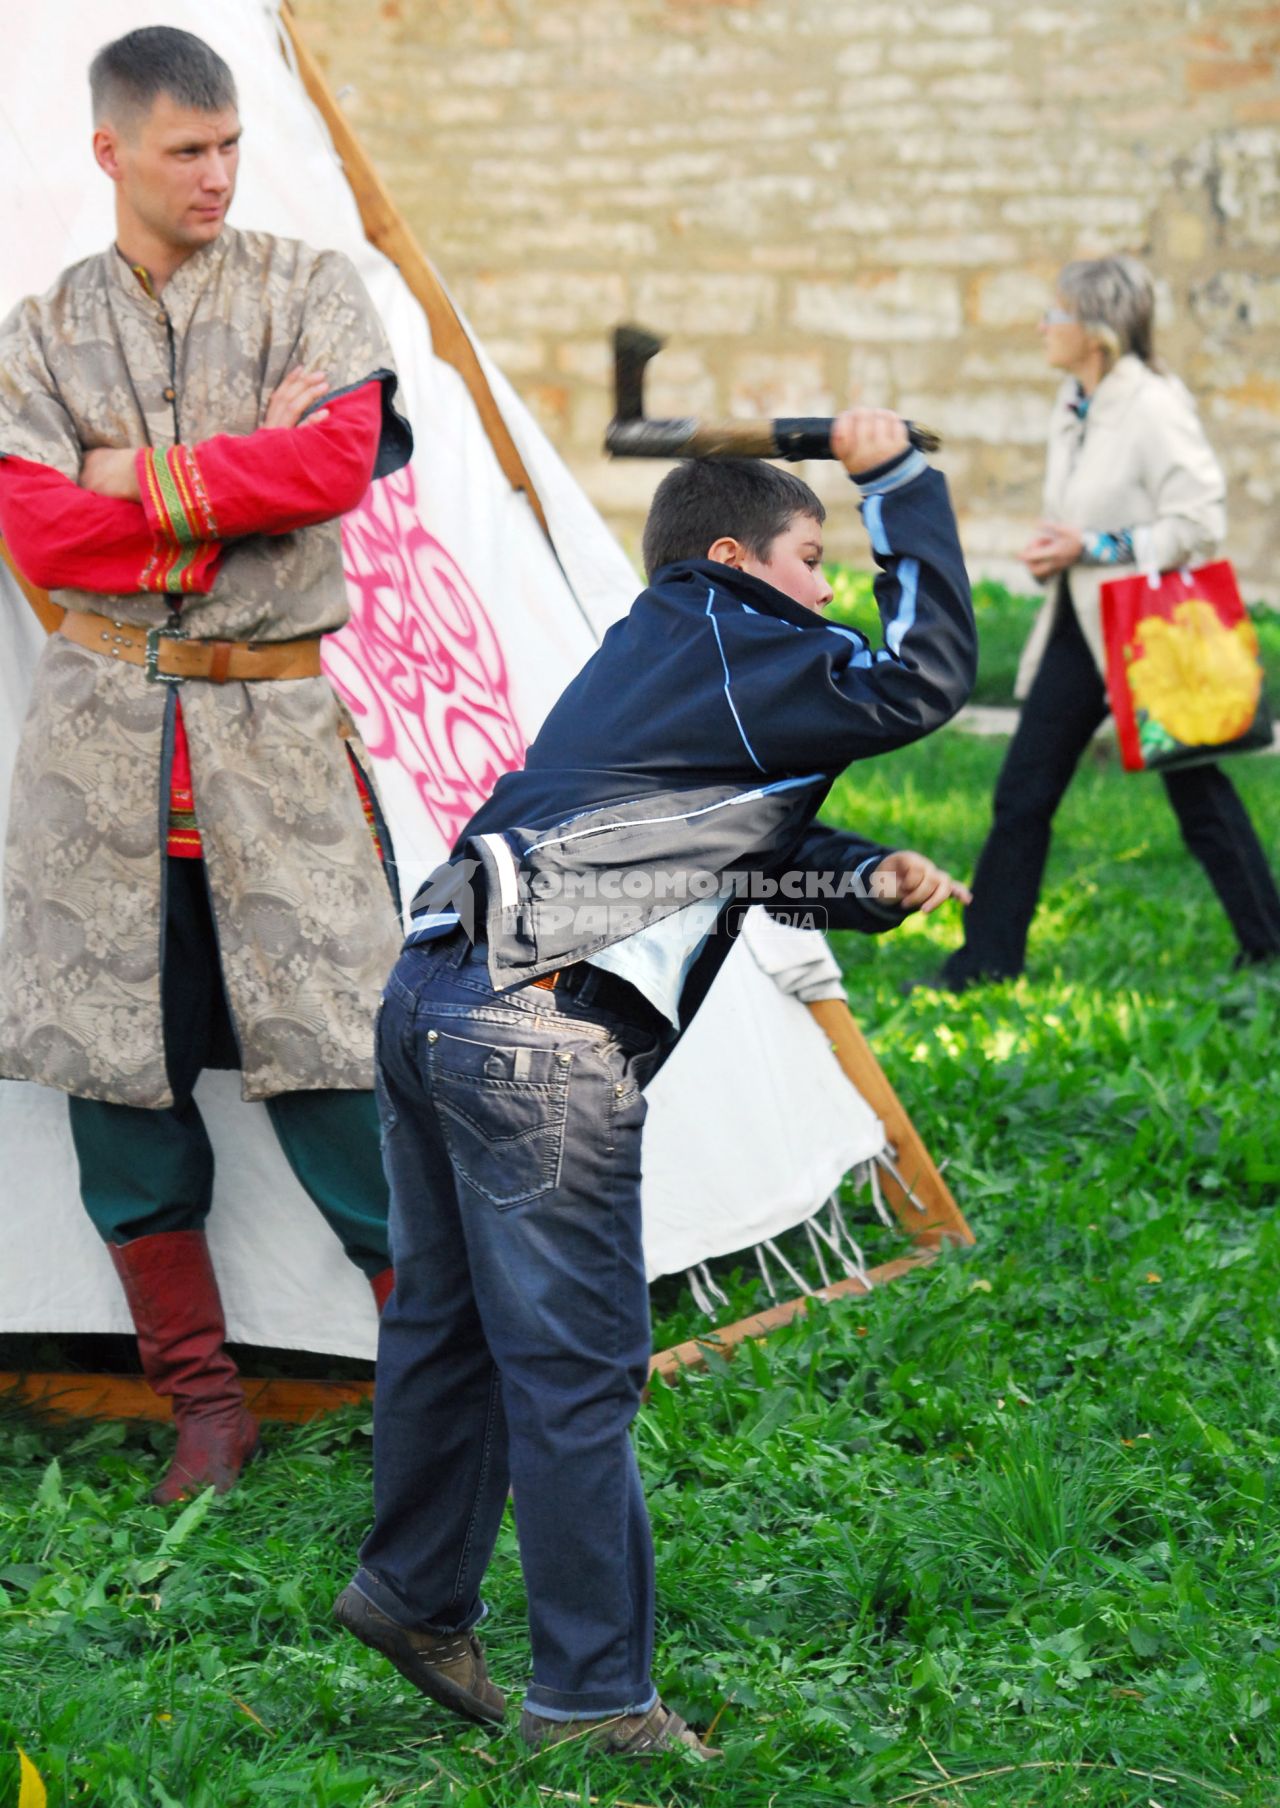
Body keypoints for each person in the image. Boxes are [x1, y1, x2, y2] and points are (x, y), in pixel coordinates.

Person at [333, 415, 977, 1757]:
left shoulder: (672, 657)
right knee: (574, 1375)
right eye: (815, 560)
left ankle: (412, 1590)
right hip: (537, 1029)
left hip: (432, 988)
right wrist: (896, 483)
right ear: (736, 559)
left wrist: (862, 882)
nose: (828, 588)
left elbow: (715, 853)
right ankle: (593, 1701)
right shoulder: (744, 636)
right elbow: (924, 681)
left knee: (448, 1330)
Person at [0, 28, 413, 1503]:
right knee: (118, 1074)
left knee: (335, 1056)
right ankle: (205, 1408)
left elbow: (332, 467)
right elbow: (42, 533)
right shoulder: (43, 332)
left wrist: (138, 479)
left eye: (230, 143)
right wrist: (223, 490)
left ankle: (432, 1395)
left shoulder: (310, 289)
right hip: (97, 755)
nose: (218, 174)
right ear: (111, 152)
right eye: (187, 149)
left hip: (274, 741)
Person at [937, 254, 1280, 991]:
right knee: (1023, 793)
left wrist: (1092, 547)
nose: (1041, 326)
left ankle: (1269, 949)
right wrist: (1058, 551)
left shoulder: (1152, 404)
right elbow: (1084, 513)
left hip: (1151, 630)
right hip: (1080, 623)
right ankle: (986, 963)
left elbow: (1201, 522)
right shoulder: (1075, 399)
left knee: (1198, 792)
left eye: (1054, 314)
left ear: (1095, 330)